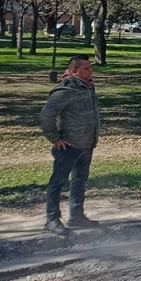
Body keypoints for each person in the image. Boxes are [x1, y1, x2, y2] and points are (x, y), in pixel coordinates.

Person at [40, 55, 101, 236]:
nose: (91, 71)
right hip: (68, 146)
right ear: (74, 71)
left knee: (79, 181)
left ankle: (76, 216)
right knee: (57, 183)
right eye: (86, 69)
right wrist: (54, 138)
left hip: (86, 144)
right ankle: (51, 220)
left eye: (90, 67)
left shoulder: (87, 87)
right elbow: (46, 114)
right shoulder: (66, 90)